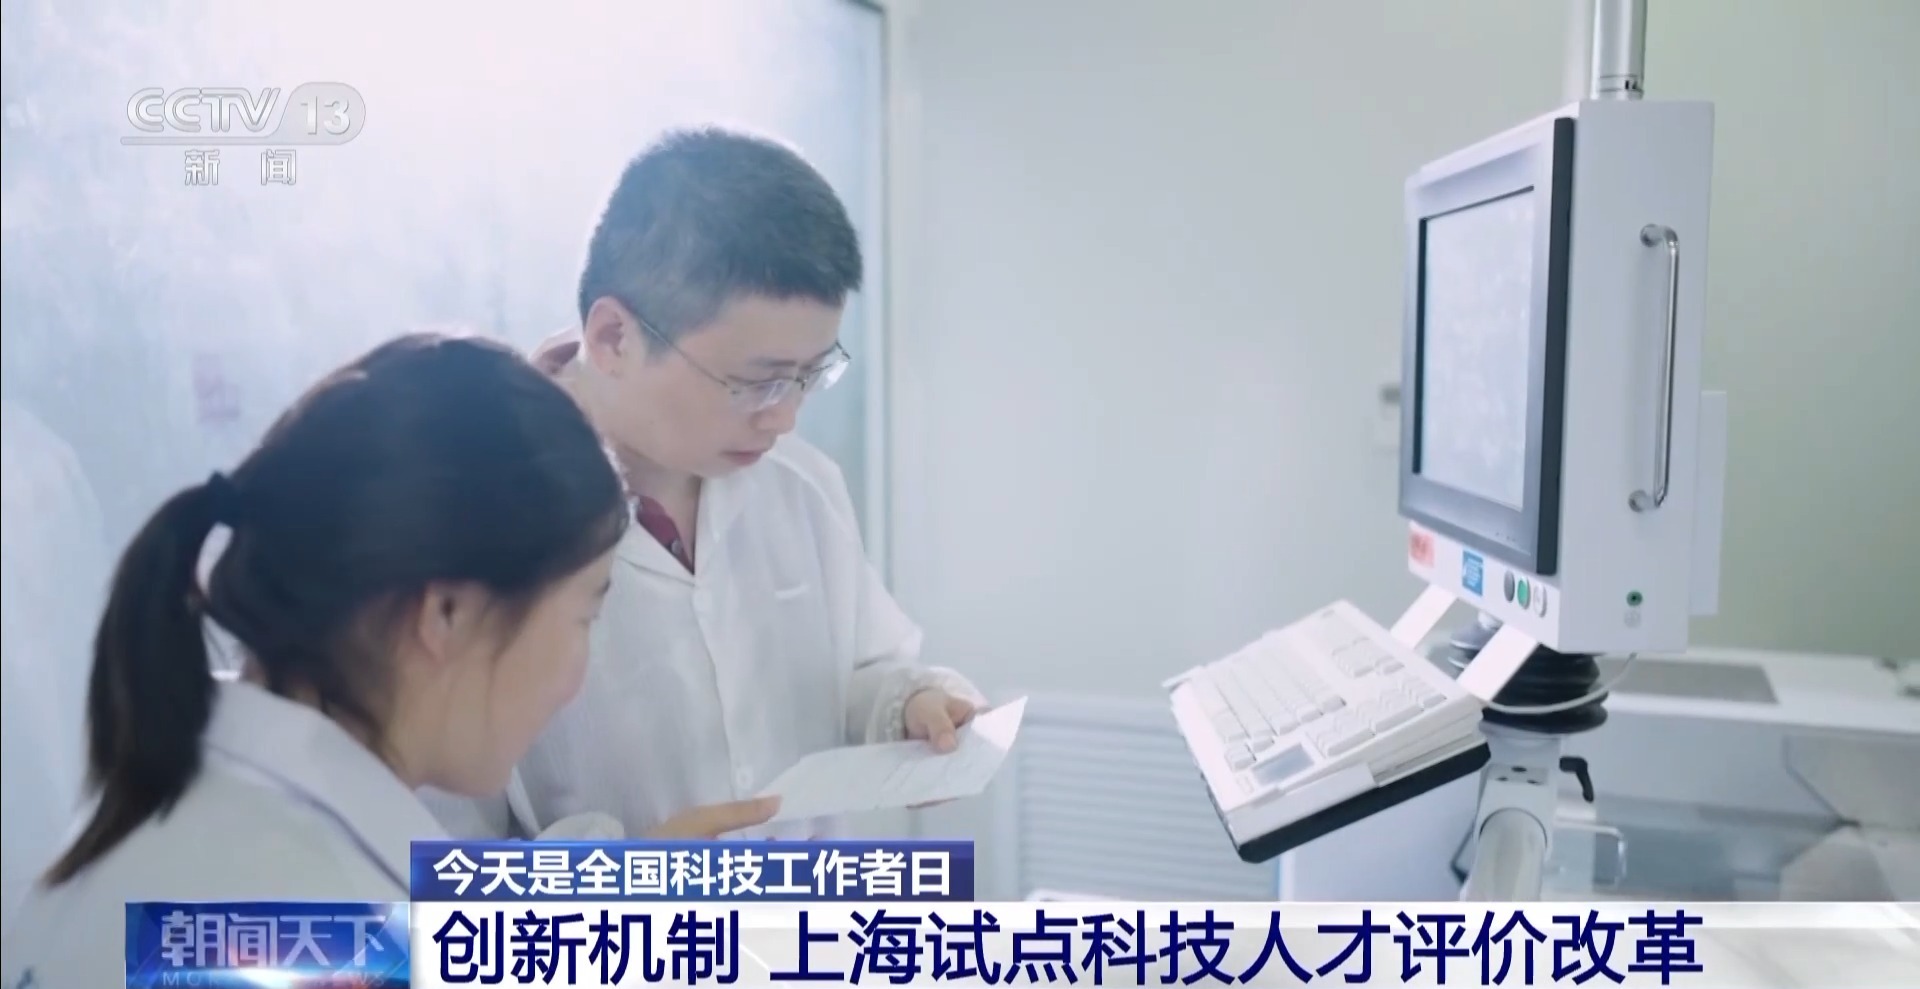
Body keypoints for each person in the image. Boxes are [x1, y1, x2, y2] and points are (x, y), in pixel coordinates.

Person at [0, 333, 778, 987]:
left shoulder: (171, 815)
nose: (577, 678)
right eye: (585, 614)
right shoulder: (300, 908)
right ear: (445, 613)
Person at [459, 127, 986, 841]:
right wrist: (624, 880)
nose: (786, 416)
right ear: (614, 337)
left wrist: (909, 703)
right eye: (755, 382)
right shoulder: (472, 518)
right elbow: (431, 857)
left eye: (809, 375)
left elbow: (863, 667)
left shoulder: (801, 484)